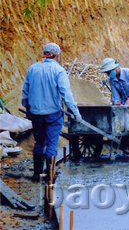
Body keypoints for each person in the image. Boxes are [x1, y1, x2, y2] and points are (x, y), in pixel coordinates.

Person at [22, 43, 82, 181]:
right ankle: (50, 176)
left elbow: (25, 91)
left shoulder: (32, 69)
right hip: (53, 115)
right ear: (57, 56)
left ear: (44, 53)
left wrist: (27, 106)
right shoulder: (59, 71)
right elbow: (66, 94)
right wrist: (75, 112)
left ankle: (37, 174)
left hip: (36, 114)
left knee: (39, 143)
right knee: (52, 144)